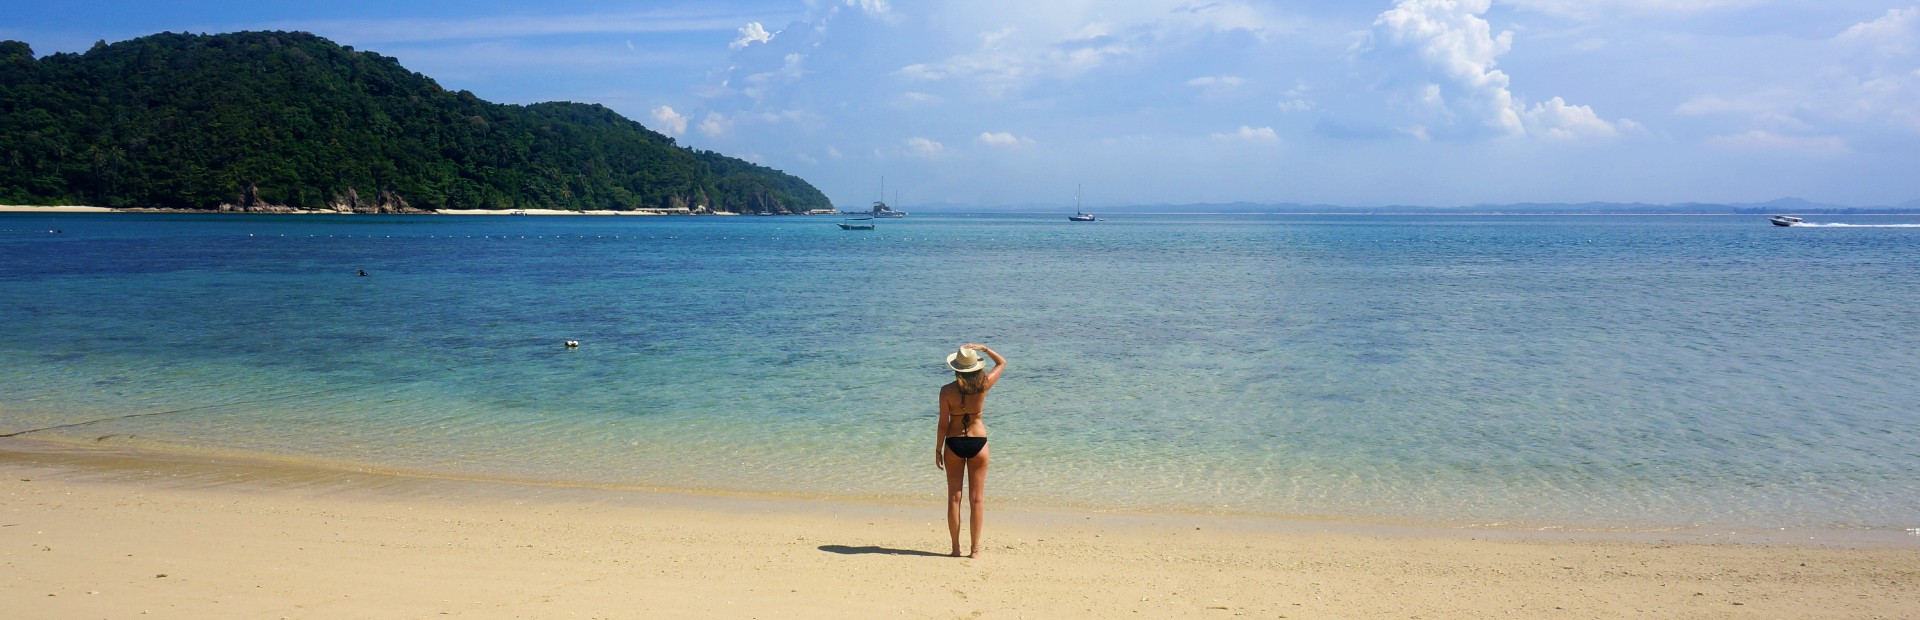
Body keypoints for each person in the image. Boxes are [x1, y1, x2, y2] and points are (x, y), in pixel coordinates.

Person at [936, 342, 1005, 558]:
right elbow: (1002, 363)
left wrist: (938, 449)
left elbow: (943, 423)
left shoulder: (946, 391)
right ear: (975, 366)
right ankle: (975, 551)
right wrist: (984, 348)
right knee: (976, 500)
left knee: (954, 499)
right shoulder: (984, 384)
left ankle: (956, 549)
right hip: (978, 443)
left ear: (956, 367)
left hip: (954, 443)